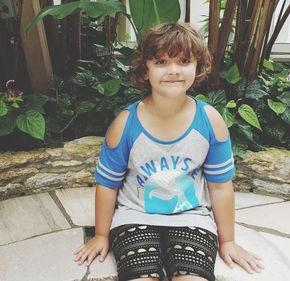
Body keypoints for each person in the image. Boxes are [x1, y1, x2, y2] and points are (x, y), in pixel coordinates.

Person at [74, 22, 264, 281]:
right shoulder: (125, 124)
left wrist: (228, 241)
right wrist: (100, 235)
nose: (173, 70)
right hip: (134, 215)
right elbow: (108, 184)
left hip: (192, 218)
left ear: (197, 67)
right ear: (145, 71)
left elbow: (220, 186)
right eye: (161, 62)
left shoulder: (210, 121)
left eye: (184, 61)